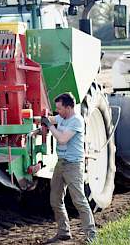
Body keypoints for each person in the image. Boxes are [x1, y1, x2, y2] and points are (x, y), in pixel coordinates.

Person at [41, 92, 96, 243]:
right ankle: (64, 232)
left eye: (59, 108)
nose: (57, 111)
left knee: (79, 200)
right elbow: (51, 119)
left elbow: (62, 139)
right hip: (61, 164)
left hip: (73, 166)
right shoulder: (62, 117)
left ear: (68, 107)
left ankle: (91, 235)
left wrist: (49, 125)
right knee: (55, 199)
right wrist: (38, 118)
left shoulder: (76, 121)